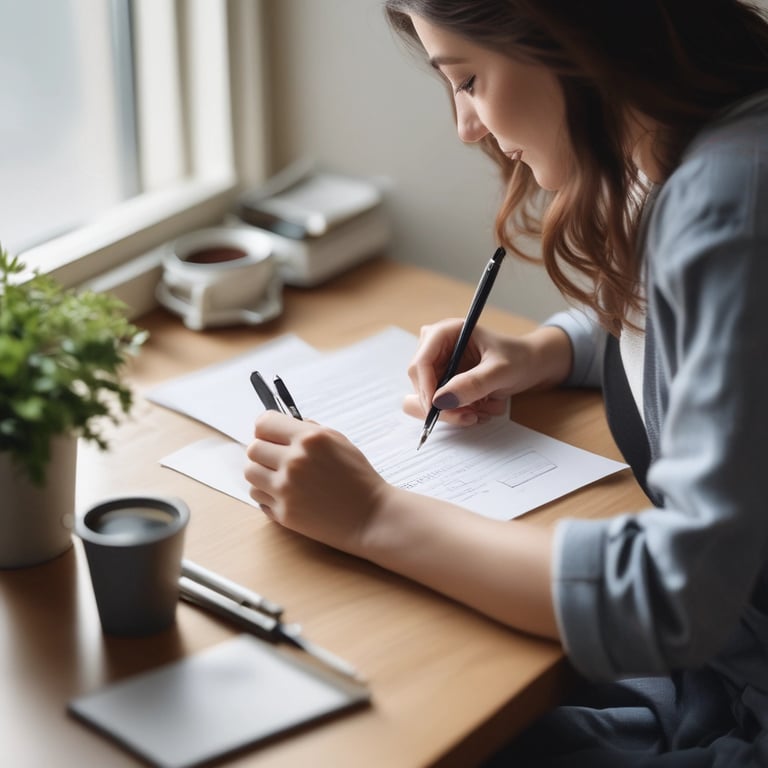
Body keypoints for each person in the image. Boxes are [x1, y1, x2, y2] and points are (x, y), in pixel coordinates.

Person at [244, 1, 768, 764]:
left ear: (573, 38)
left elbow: (676, 596)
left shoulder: (729, 208)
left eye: (469, 79)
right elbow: (693, 330)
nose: (467, 125)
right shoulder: (692, 151)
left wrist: (371, 515)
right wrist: (545, 351)